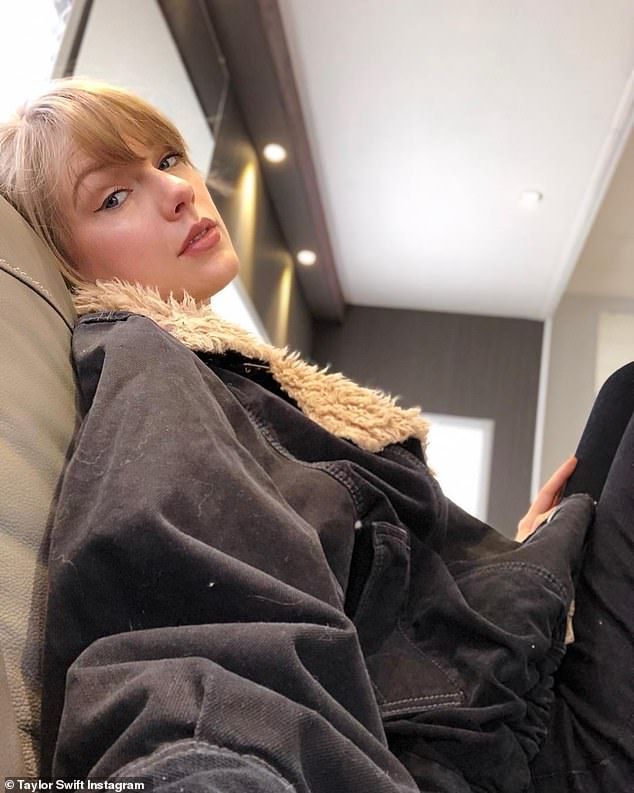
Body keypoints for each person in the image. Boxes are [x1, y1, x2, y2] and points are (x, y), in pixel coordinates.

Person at [0, 79, 631, 793]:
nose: (177, 190)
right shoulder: (149, 365)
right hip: (499, 749)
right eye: (113, 197)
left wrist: (511, 554)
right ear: (67, 260)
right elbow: (181, 637)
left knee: (621, 397)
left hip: (502, 671)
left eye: (169, 158)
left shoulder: (236, 376)